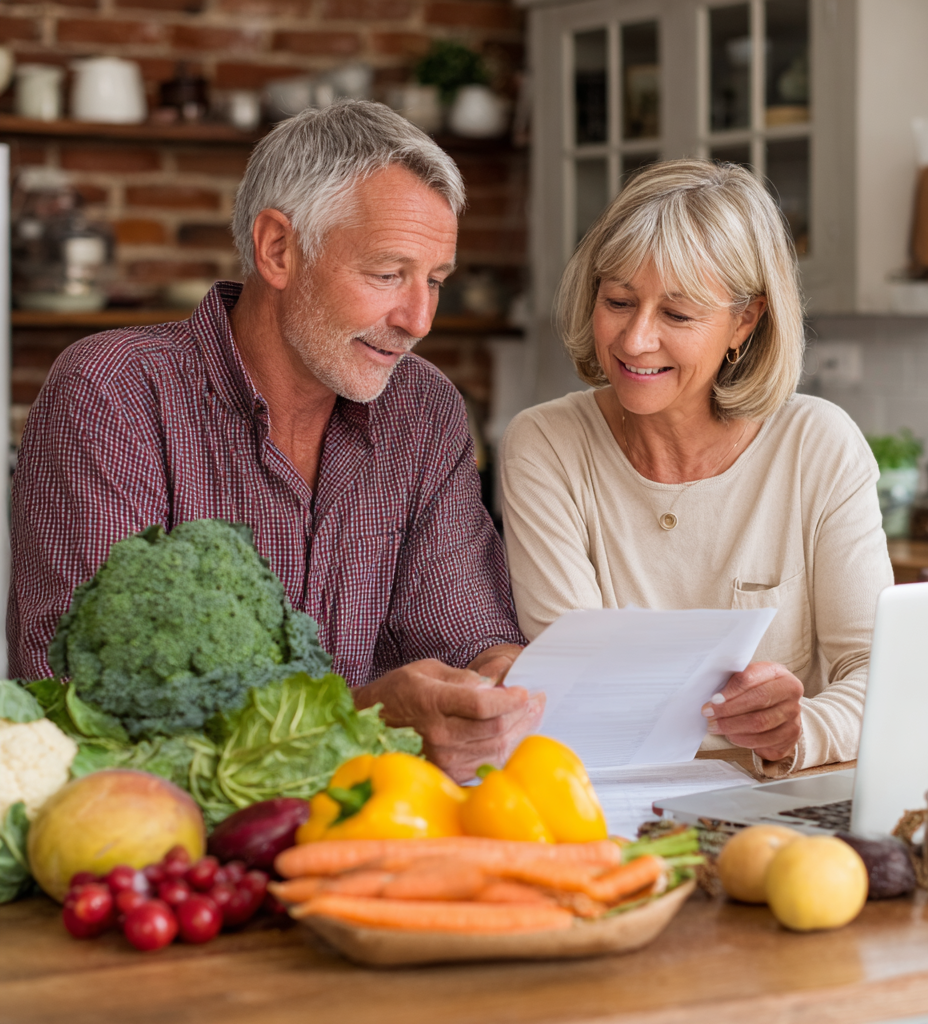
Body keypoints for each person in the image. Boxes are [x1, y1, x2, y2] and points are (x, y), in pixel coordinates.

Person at [9, 100, 540, 782]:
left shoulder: (424, 409)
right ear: (278, 249)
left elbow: (468, 633)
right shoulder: (113, 394)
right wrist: (362, 718)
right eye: (388, 274)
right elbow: (84, 704)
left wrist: (498, 682)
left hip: (382, 821)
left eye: (435, 281)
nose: (419, 320)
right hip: (168, 830)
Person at [499, 160, 892, 776]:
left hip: (781, 797)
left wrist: (795, 732)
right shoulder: (546, 445)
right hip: (607, 792)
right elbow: (578, 692)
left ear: (745, 320)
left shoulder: (818, 445)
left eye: (677, 315)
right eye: (618, 301)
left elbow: (880, 672)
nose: (635, 340)